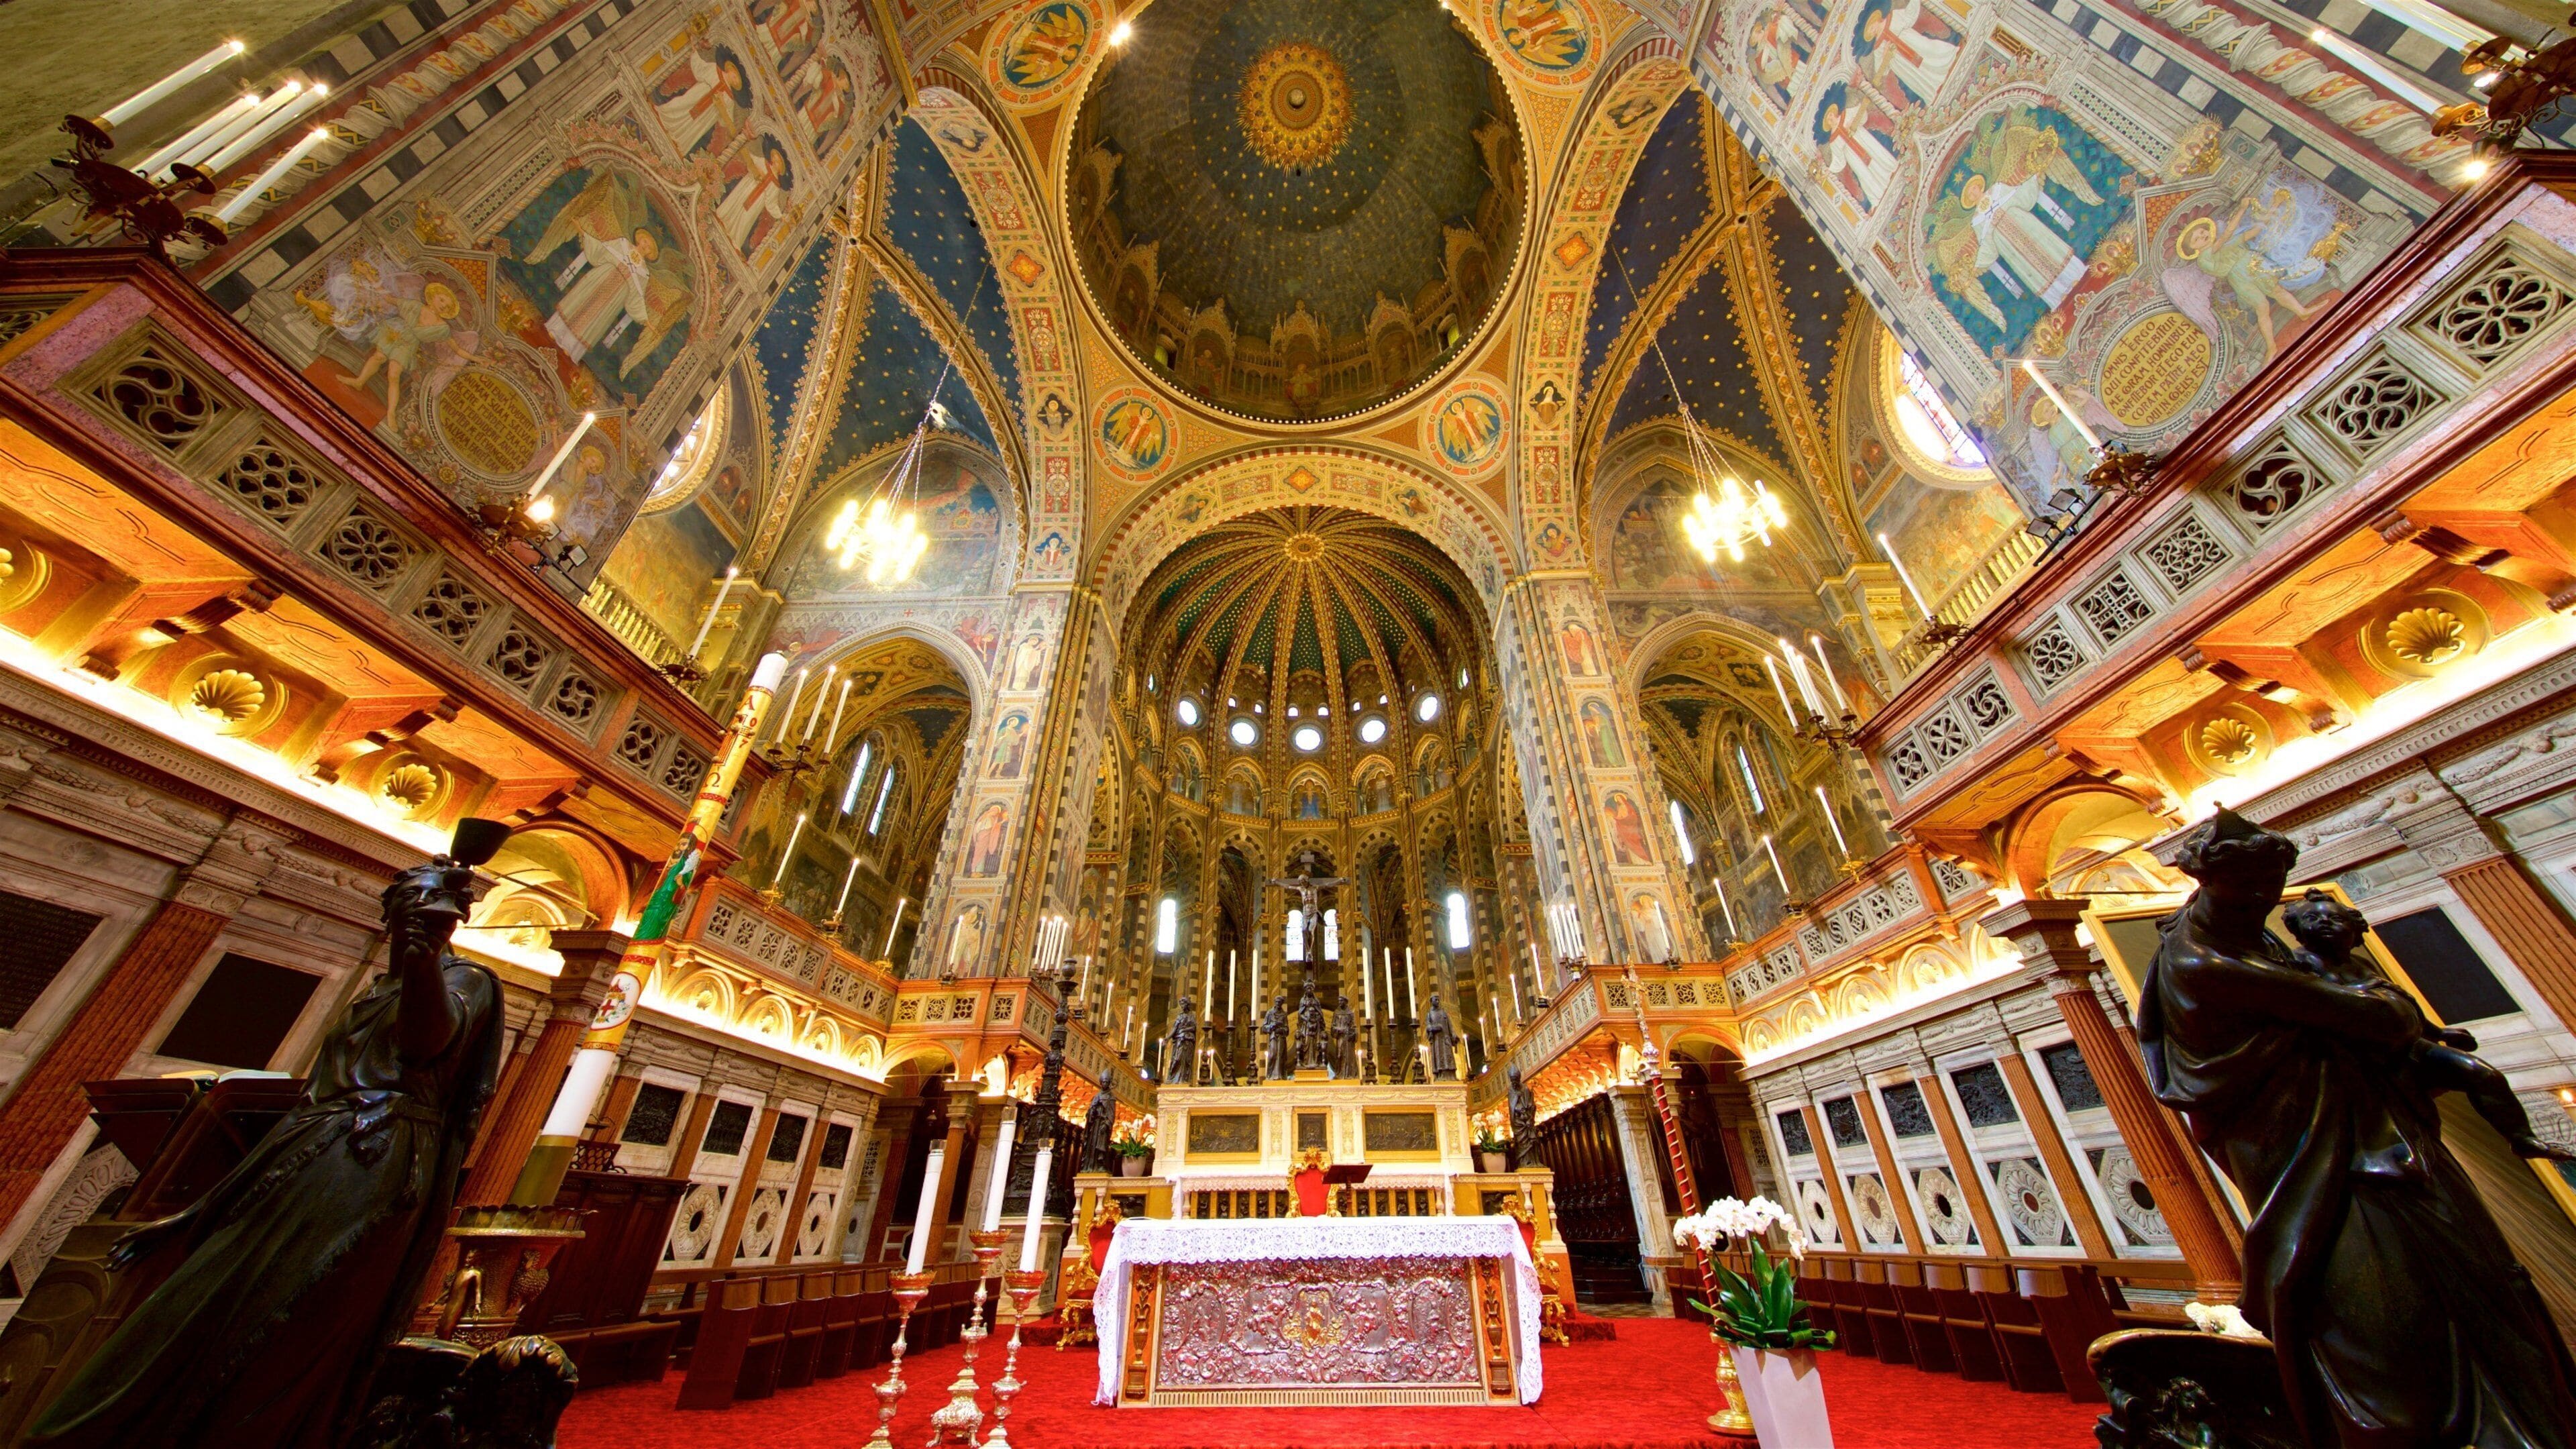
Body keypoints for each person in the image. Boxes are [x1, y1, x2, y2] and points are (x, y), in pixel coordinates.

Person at [30, 823, 508, 1449]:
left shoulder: (467, 980)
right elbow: (312, 1097)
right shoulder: (376, 990)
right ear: (388, 913)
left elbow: (426, 1045)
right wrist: (199, 1210)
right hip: (308, 1144)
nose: (416, 917)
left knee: (288, 1312)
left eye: (429, 906)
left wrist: (424, 963)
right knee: (209, 1303)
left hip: (372, 1152)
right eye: (406, 904)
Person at [2139, 810, 2576, 1448]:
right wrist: (2384, 1008)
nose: (2266, 897)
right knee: (2388, 1315)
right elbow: (2383, 1020)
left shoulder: (2247, 937)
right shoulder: (2206, 961)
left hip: (2367, 1138)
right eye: (2253, 885)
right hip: (2316, 1161)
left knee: (2477, 1287)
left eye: (2274, 884)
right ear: (2211, 881)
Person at [2280, 889, 2575, 1162]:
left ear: (2354, 929)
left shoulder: (2361, 964)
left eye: (2335, 918)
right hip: (2361, 1059)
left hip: (2409, 1046)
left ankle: (2522, 1139)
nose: (2324, 923)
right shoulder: (2300, 964)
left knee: (2481, 1074)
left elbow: (2402, 1005)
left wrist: (2440, 1032)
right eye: (2312, 918)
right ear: (2297, 930)